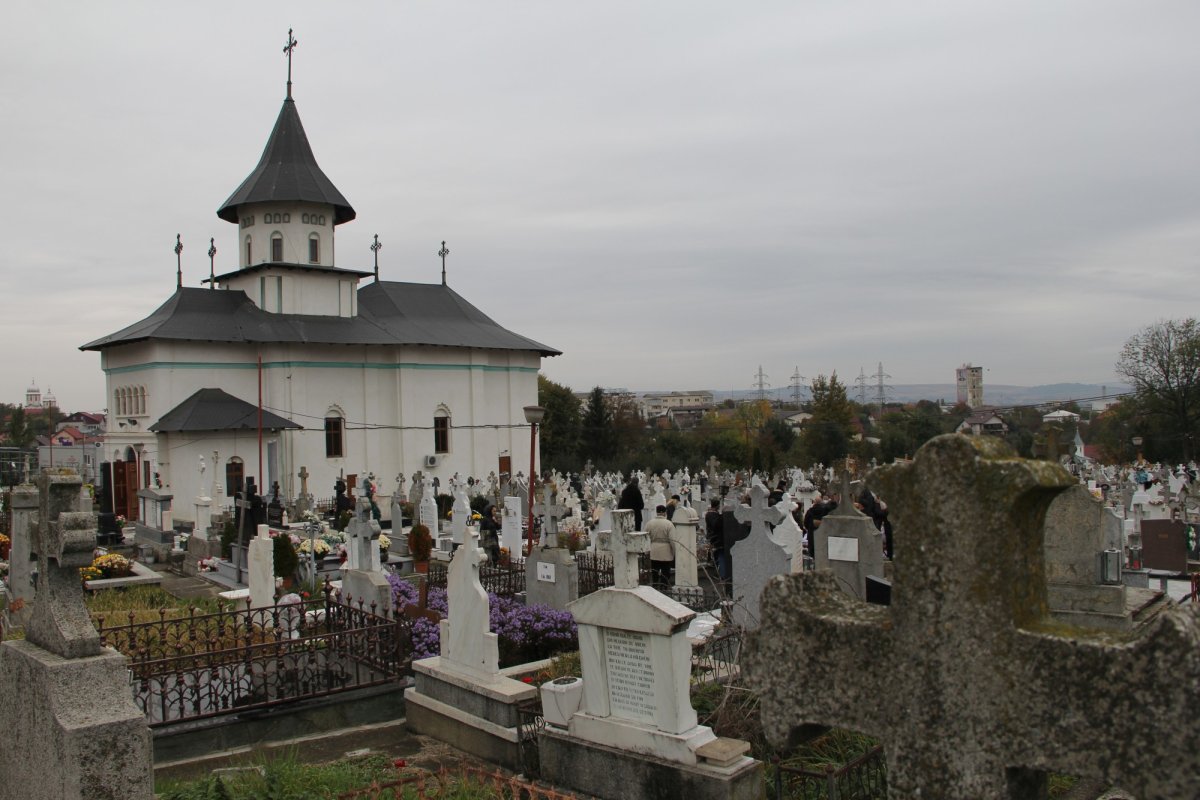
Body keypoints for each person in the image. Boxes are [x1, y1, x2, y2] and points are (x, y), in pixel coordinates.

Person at [646, 505, 675, 589]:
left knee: (654, 571)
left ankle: (654, 587)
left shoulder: (650, 523)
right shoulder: (669, 524)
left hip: (654, 549)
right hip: (666, 551)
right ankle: (664, 587)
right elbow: (672, 539)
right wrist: (675, 551)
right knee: (665, 572)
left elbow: (646, 537)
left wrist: (647, 549)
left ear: (657, 512)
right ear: (665, 512)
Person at [705, 497, 729, 583]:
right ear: (718, 506)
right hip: (717, 539)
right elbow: (716, 526)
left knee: (718, 556)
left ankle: (720, 573)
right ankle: (722, 575)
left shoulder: (711, 514)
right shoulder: (713, 515)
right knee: (720, 556)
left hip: (715, 539)